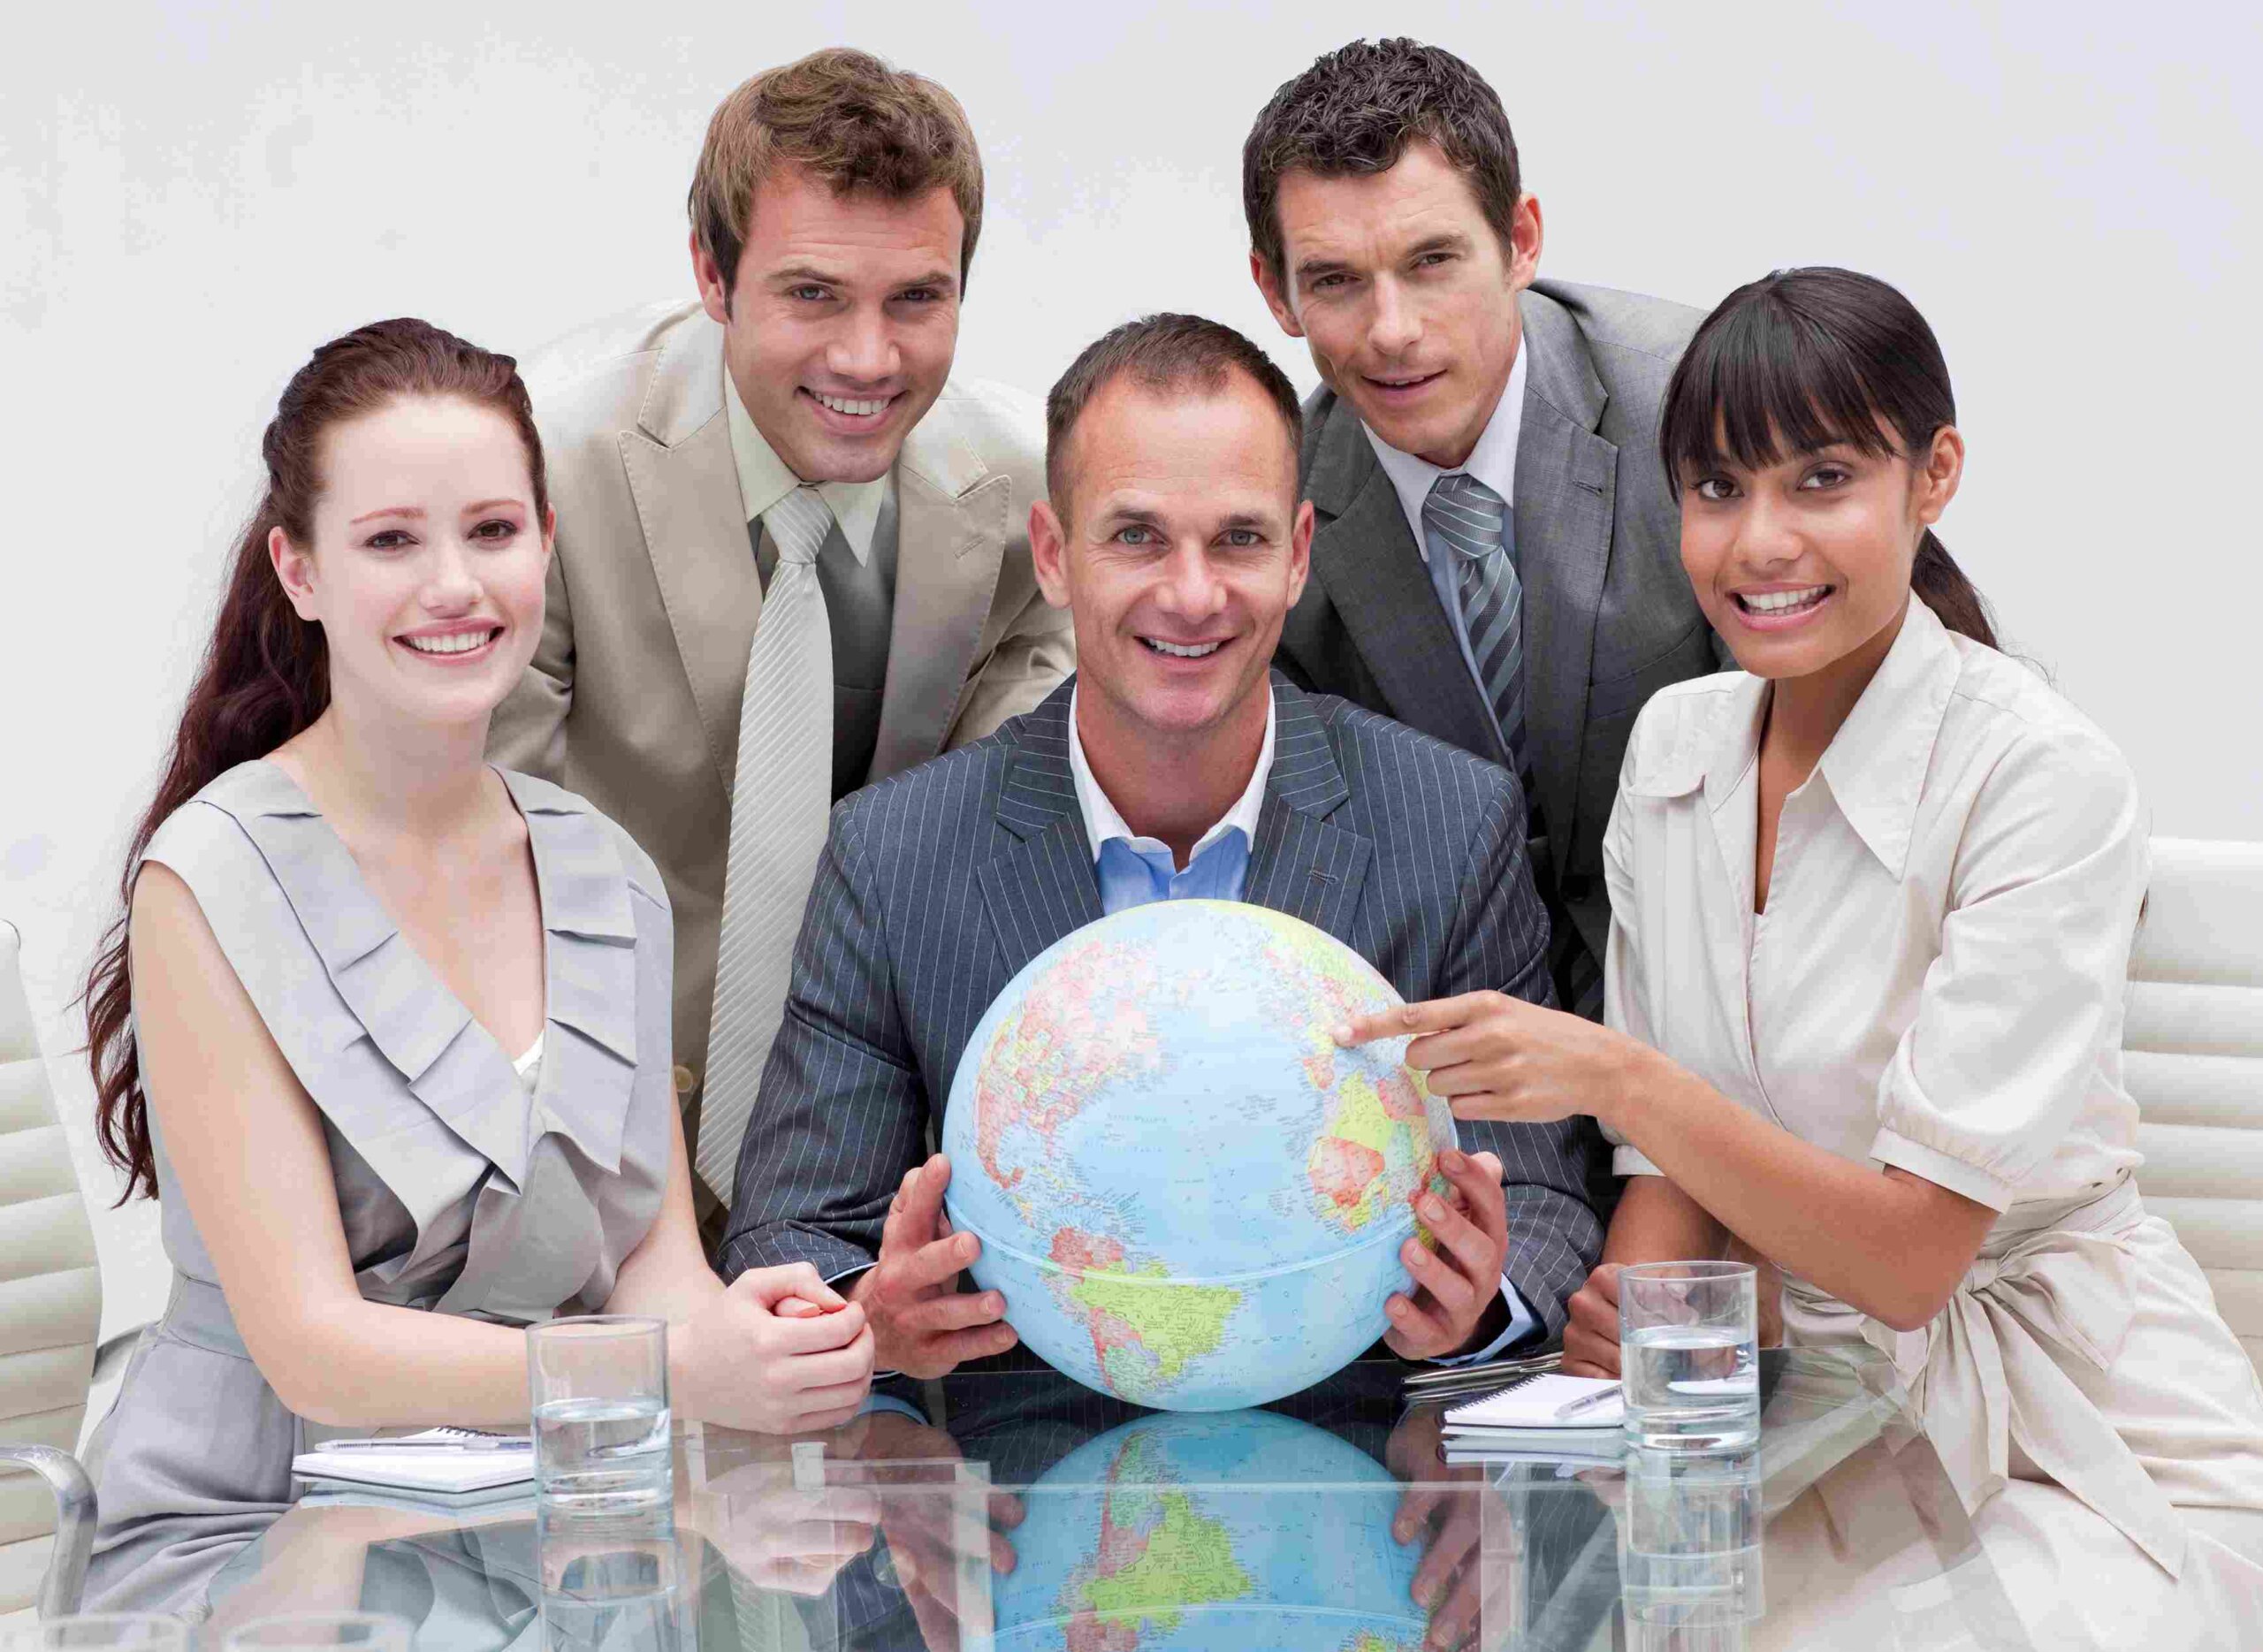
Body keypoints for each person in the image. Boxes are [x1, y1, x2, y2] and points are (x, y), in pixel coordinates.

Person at [1338, 268, 2263, 1652]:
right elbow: (1667, 1197)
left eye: (1823, 479)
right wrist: (1630, 1352)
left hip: (2082, 1450)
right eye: (1717, 490)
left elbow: (1909, 1258)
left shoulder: (2041, 777)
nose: (1761, 541)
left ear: (1933, 475)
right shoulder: (1679, 748)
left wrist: (1620, 1081)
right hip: (1799, 1421)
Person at [75, 320, 875, 1614]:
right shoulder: (210, 879)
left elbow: (654, 1264)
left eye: (493, 531)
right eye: (392, 541)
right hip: (256, 1541)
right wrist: (668, 1369)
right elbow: (317, 1353)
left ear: (546, 547)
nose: (454, 585)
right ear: (300, 570)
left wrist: (753, 1335)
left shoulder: (605, 872)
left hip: (541, 1516)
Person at [720, 314, 1600, 1383]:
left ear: (1298, 555)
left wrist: (1479, 1304)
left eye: (1239, 539)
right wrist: (872, 1317)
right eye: (1136, 536)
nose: (1191, 594)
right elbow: (789, 1233)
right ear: (1054, 555)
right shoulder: (893, 852)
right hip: (1012, 1447)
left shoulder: (1451, 823)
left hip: (1362, 1435)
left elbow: (1545, 1195)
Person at [488, 49, 1072, 1230]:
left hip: (882, 1167)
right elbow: (478, 865)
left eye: (917, 299)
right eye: (812, 294)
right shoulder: (541, 468)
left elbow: (989, 871)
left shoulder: (1034, 496)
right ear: (712, 275)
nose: (868, 357)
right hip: (565, 1124)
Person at [1243, 38, 1725, 1022]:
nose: (1392, 330)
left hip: (1738, 1003)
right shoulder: (1267, 516)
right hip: (1453, 1038)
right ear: (1275, 291)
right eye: (1335, 280)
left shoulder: (1703, 400)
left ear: (1521, 240)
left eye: (1432, 262)